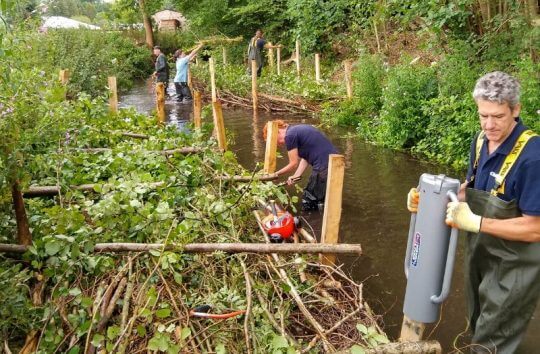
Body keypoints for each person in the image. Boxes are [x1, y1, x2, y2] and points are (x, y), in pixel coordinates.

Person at [407, 71, 540, 353]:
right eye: (483, 115)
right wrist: (429, 201)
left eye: (498, 116)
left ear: (515, 110)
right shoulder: (481, 141)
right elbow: (471, 191)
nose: (489, 125)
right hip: (480, 255)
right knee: (478, 325)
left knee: (492, 340)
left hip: (514, 267)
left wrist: (475, 221)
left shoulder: (533, 157)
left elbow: (534, 228)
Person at [263, 120, 338, 211]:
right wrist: (296, 175)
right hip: (333, 162)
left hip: (324, 165)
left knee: (309, 200)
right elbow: (306, 157)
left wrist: (275, 175)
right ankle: (321, 217)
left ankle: (312, 222)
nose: (279, 144)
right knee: (320, 197)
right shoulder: (295, 130)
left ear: (277, 131)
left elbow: (293, 164)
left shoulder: (289, 136)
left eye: (276, 141)